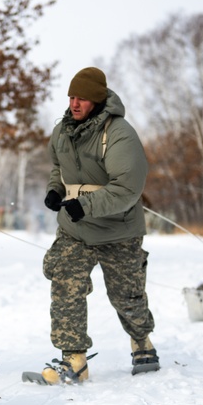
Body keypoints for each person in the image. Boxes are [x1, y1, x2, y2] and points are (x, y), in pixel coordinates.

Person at [38, 67, 159, 384]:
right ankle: (74, 359)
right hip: (74, 229)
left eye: (83, 98)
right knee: (65, 282)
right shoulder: (61, 132)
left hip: (118, 230)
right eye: (72, 97)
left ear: (98, 99)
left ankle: (141, 340)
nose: (75, 104)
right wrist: (56, 190)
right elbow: (58, 168)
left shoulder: (119, 134)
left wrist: (86, 205)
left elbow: (127, 189)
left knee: (127, 297)